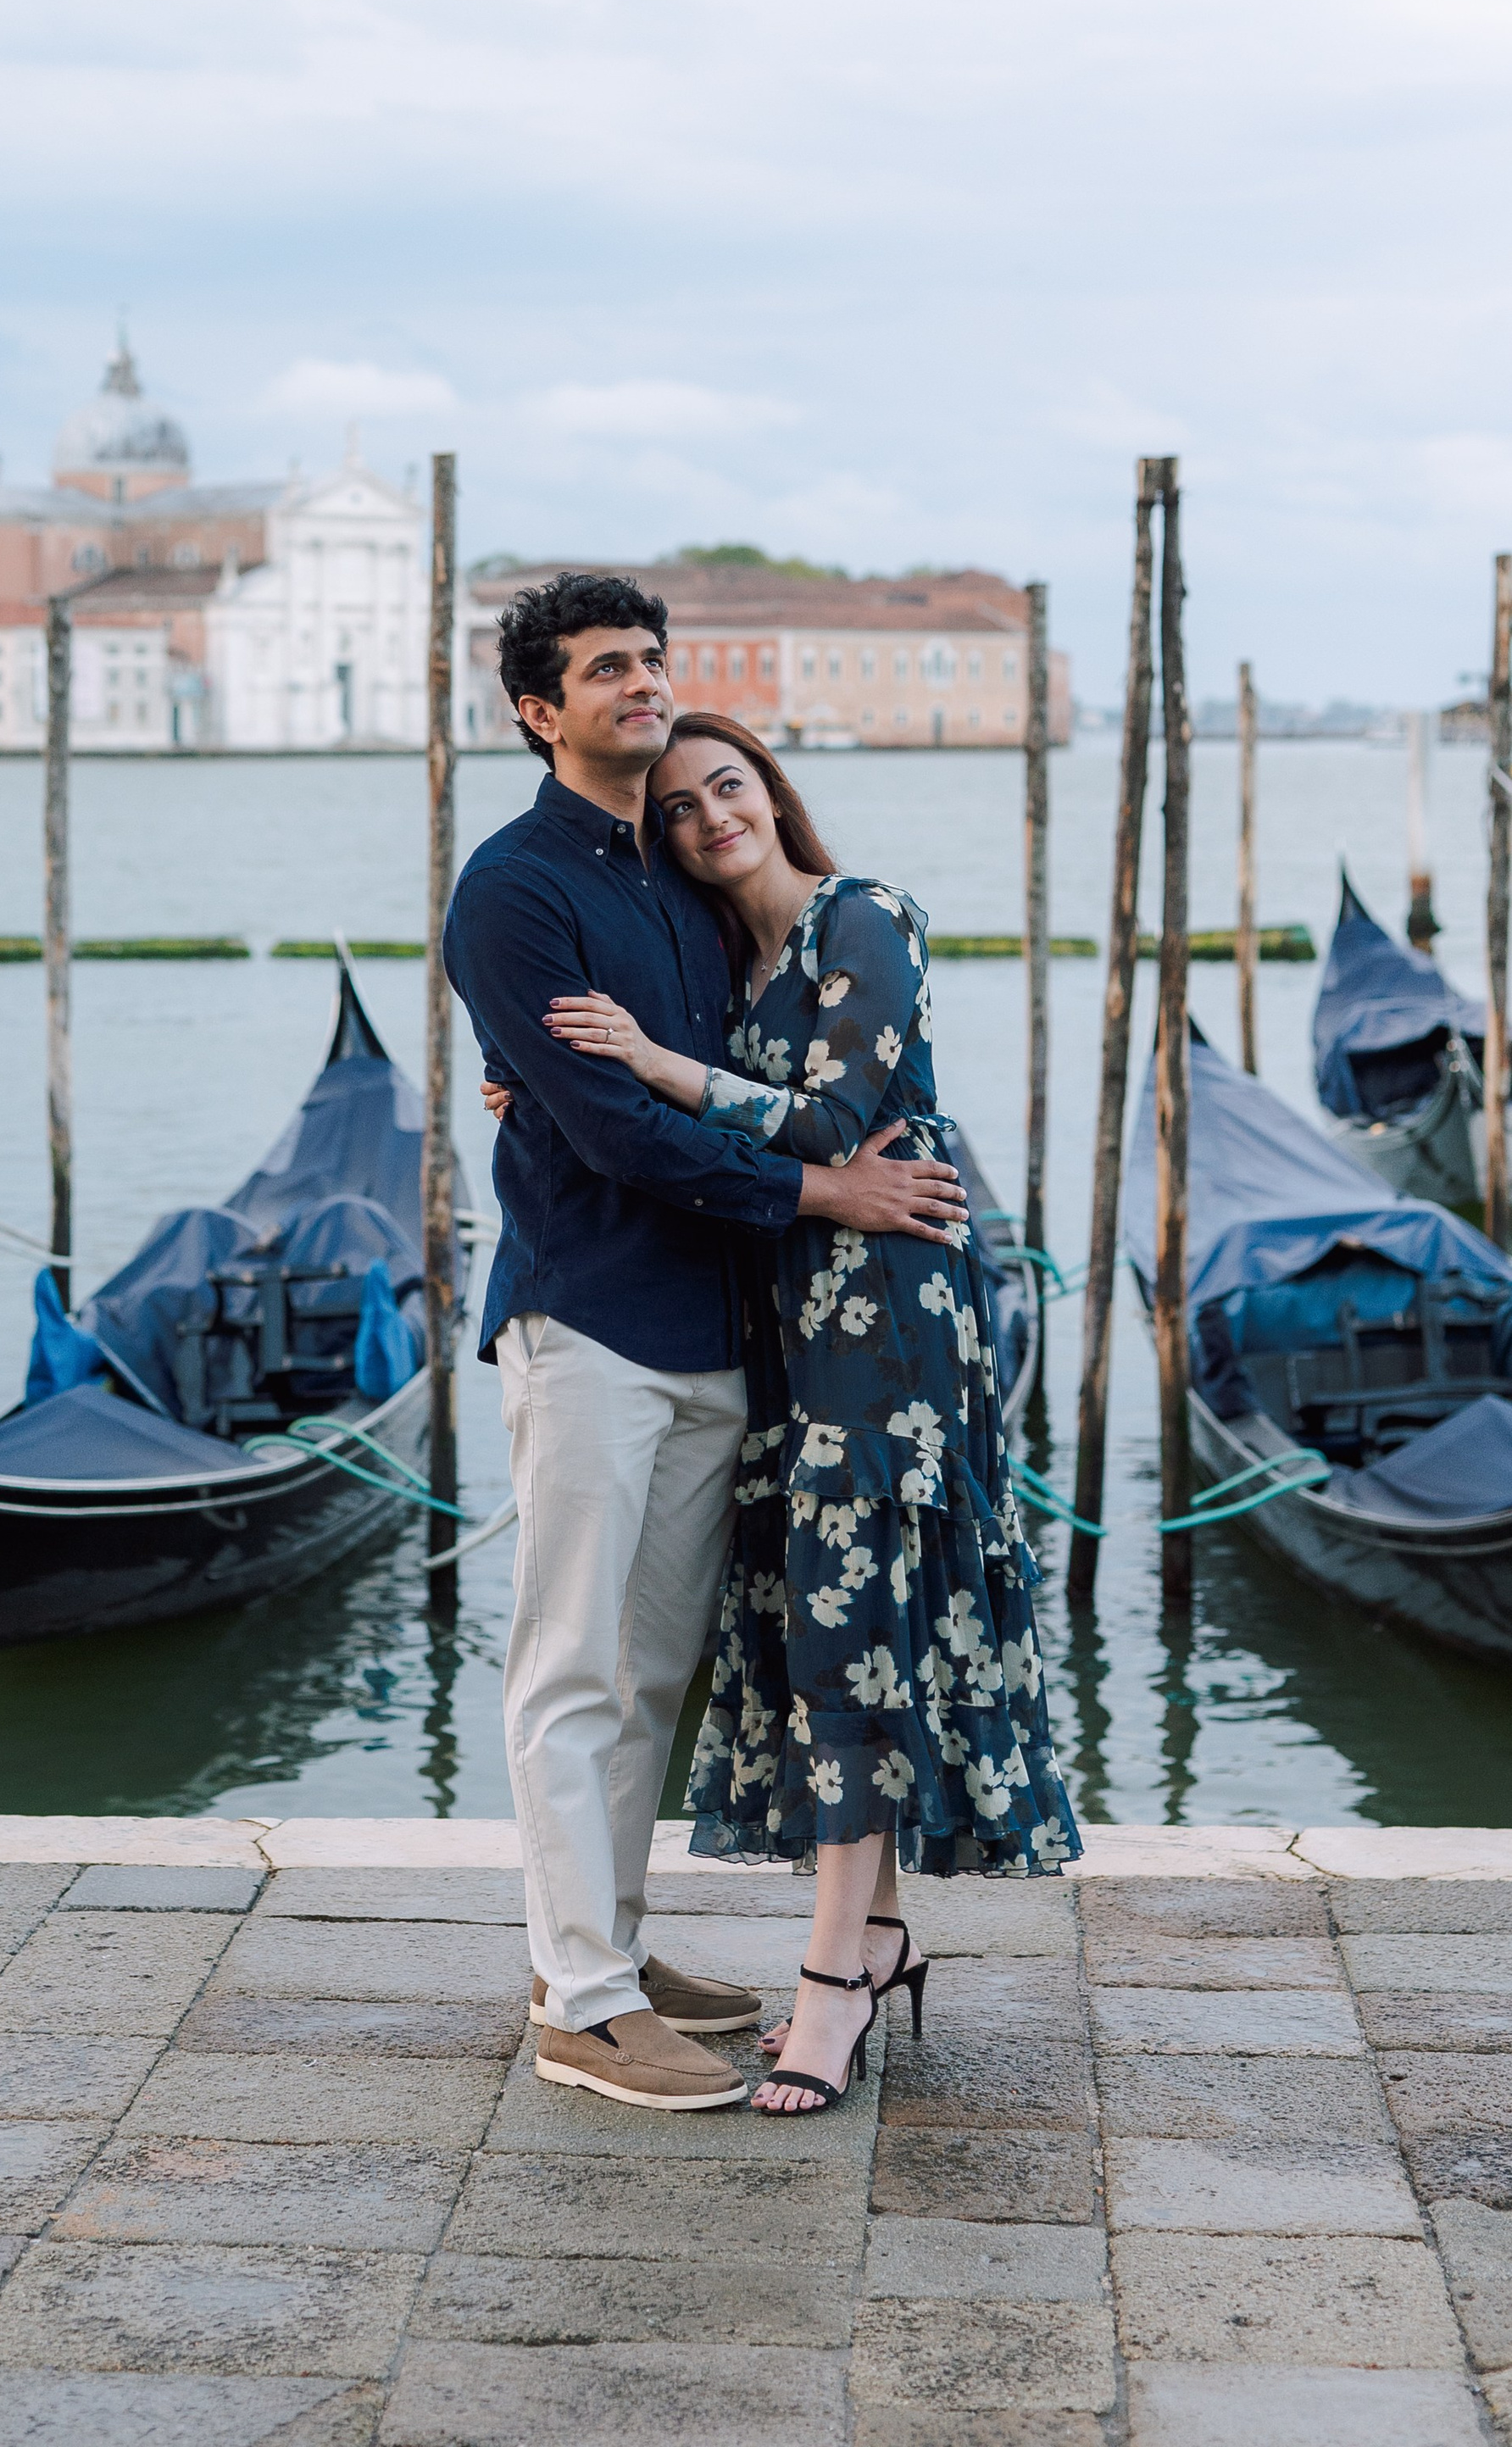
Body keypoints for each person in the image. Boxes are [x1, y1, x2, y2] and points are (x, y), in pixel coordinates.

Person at [442, 577, 970, 2116]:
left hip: (721, 1332)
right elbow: (614, 1130)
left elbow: (728, 1068)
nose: (644, 685)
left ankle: (597, 1948)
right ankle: (584, 2004)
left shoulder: (675, 869)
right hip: (593, 1317)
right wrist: (825, 1187)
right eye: (609, 669)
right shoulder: (513, 891)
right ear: (539, 710)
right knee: (572, 1667)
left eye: (653, 662)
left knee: (652, 1671)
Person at [540, 708, 1081, 2118]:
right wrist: (548, 1077)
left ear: (771, 795)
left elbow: (835, 1125)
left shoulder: (866, 915)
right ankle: (880, 1929)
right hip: (787, 1326)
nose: (710, 816)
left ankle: (834, 1979)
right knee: (837, 1614)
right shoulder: (734, 966)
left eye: (728, 788)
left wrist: (655, 1067)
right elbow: (714, 1121)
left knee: (858, 1617)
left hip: (893, 1325)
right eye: (677, 810)